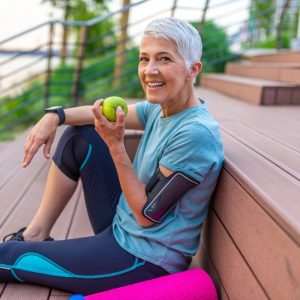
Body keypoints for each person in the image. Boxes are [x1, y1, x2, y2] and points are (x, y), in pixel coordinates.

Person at [0, 17, 224, 295]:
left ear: (193, 69)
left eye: (164, 59)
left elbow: (146, 216)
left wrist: (117, 146)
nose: (150, 70)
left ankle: (29, 246)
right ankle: (36, 234)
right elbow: (100, 110)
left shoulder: (195, 135)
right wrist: (55, 116)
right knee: (80, 134)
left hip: (142, 260)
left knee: (9, 256)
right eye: (144, 59)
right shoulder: (162, 107)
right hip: (120, 226)